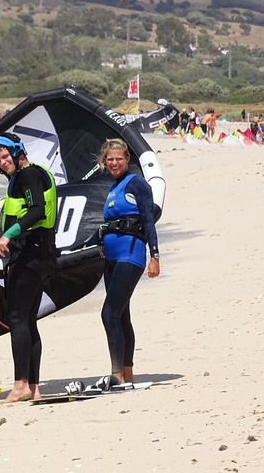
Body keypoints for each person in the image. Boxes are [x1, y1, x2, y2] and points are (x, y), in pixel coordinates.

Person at [0, 132, 57, 402]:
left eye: (5, 157)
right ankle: (34, 387)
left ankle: (20, 384)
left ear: (18, 151)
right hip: (43, 256)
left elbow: (37, 210)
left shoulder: (28, 176)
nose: (2, 162)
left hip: (30, 257)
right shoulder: (37, 174)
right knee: (28, 321)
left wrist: (8, 234)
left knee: (16, 319)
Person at [96, 139, 159, 385]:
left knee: (108, 314)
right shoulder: (114, 187)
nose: (114, 163)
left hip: (130, 256)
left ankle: (116, 376)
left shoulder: (137, 183)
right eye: (109, 159)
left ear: (127, 158)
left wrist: (154, 256)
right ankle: (127, 375)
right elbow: (109, 226)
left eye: (118, 158)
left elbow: (148, 220)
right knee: (121, 316)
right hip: (111, 259)